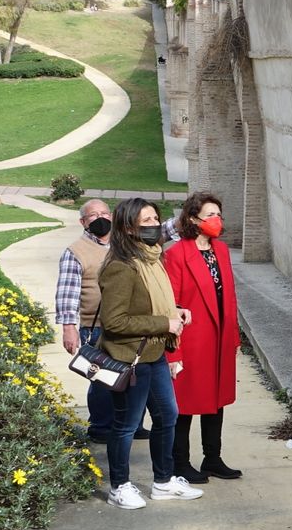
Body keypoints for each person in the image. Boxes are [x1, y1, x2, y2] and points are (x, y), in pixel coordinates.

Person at [96, 198, 204, 510]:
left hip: (154, 353)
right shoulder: (121, 267)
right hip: (130, 358)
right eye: (146, 221)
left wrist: (177, 312)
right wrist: (164, 322)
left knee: (167, 416)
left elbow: (154, 305)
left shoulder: (152, 259)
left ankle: (163, 481)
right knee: (127, 425)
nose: (154, 225)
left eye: (155, 218)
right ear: (128, 227)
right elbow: (114, 322)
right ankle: (119, 486)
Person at [164, 192, 243, 482]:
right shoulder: (176, 254)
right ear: (192, 219)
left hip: (219, 339)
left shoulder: (220, 250)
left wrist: (233, 337)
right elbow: (170, 304)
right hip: (191, 340)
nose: (216, 220)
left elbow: (229, 297)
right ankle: (180, 463)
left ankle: (212, 458)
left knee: (216, 401)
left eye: (218, 214)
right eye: (209, 215)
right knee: (184, 405)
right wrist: (174, 352)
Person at [55, 199, 120, 444]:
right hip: (95, 327)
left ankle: (129, 424)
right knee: (102, 377)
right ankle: (101, 427)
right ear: (83, 222)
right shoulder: (76, 252)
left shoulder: (122, 244)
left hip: (125, 324)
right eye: (93, 215)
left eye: (105, 213)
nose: (100, 218)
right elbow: (67, 294)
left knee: (129, 377)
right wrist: (69, 329)